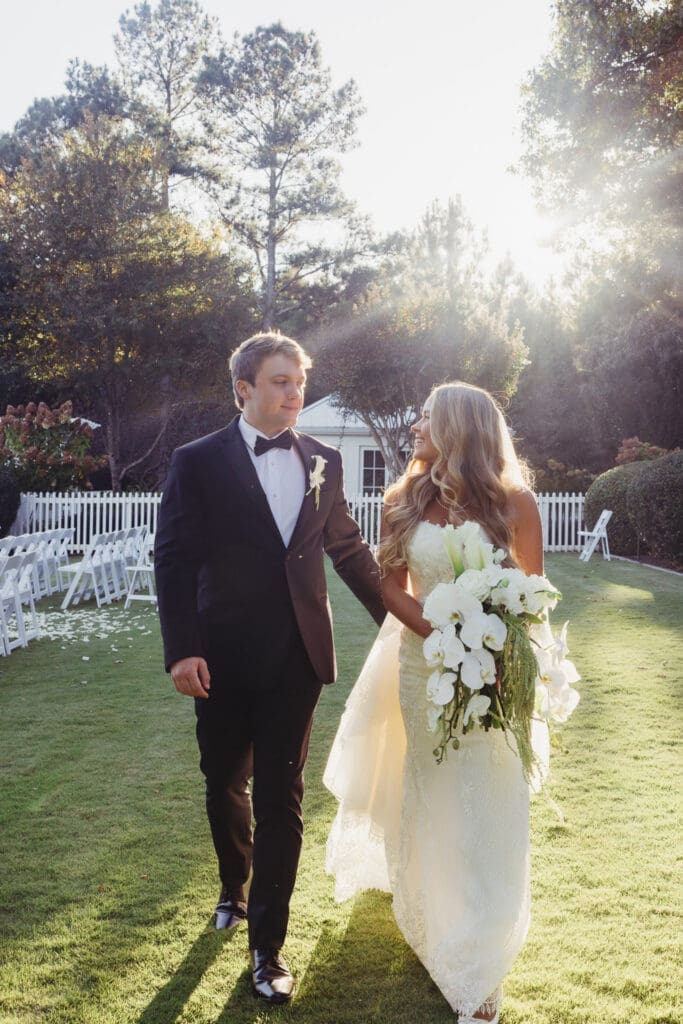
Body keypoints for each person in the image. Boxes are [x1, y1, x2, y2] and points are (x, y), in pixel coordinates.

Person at [154, 332, 384, 1005]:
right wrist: (181, 648)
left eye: (299, 380)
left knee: (281, 799)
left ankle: (266, 948)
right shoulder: (196, 462)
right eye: (280, 381)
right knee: (223, 779)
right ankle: (233, 882)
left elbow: (346, 549)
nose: (294, 392)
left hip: (296, 659)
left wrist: (406, 625)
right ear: (243, 389)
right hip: (219, 658)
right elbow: (172, 559)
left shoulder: (324, 460)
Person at [324, 381, 546, 1023]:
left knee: (490, 808)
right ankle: (431, 909)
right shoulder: (403, 500)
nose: (416, 425)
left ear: (459, 428)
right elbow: (390, 588)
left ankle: (479, 962)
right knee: (435, 795)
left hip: (496, 676)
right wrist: (446, 637)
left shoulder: (516, 505)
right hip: (425, 670)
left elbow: (531, 593)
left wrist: (496, 659)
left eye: (426, 417)